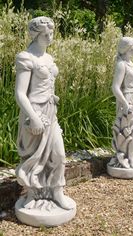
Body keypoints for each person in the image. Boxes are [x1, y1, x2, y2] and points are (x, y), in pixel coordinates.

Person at [15, 16, 72, 210]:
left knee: (59, 154)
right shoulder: (26, 57)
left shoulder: (49, 58)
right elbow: (20, 94)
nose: (50, 37)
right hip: (34, 112)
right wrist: (33, 117)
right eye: (45, 34)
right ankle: (32, 193)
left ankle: (57, 192)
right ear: (35, 35)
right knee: (33, 156)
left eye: (52, 33)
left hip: (50, 111)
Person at [109, 37, 133, 169]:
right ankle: (130, 160)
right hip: (127, 99)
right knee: (132, 129)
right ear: (126, 48)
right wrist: (125, 104)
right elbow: (115, 87)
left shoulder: (130, 63)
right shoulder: (121, 64)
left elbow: (132, 84)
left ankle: (129, 157)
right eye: (132, 47)